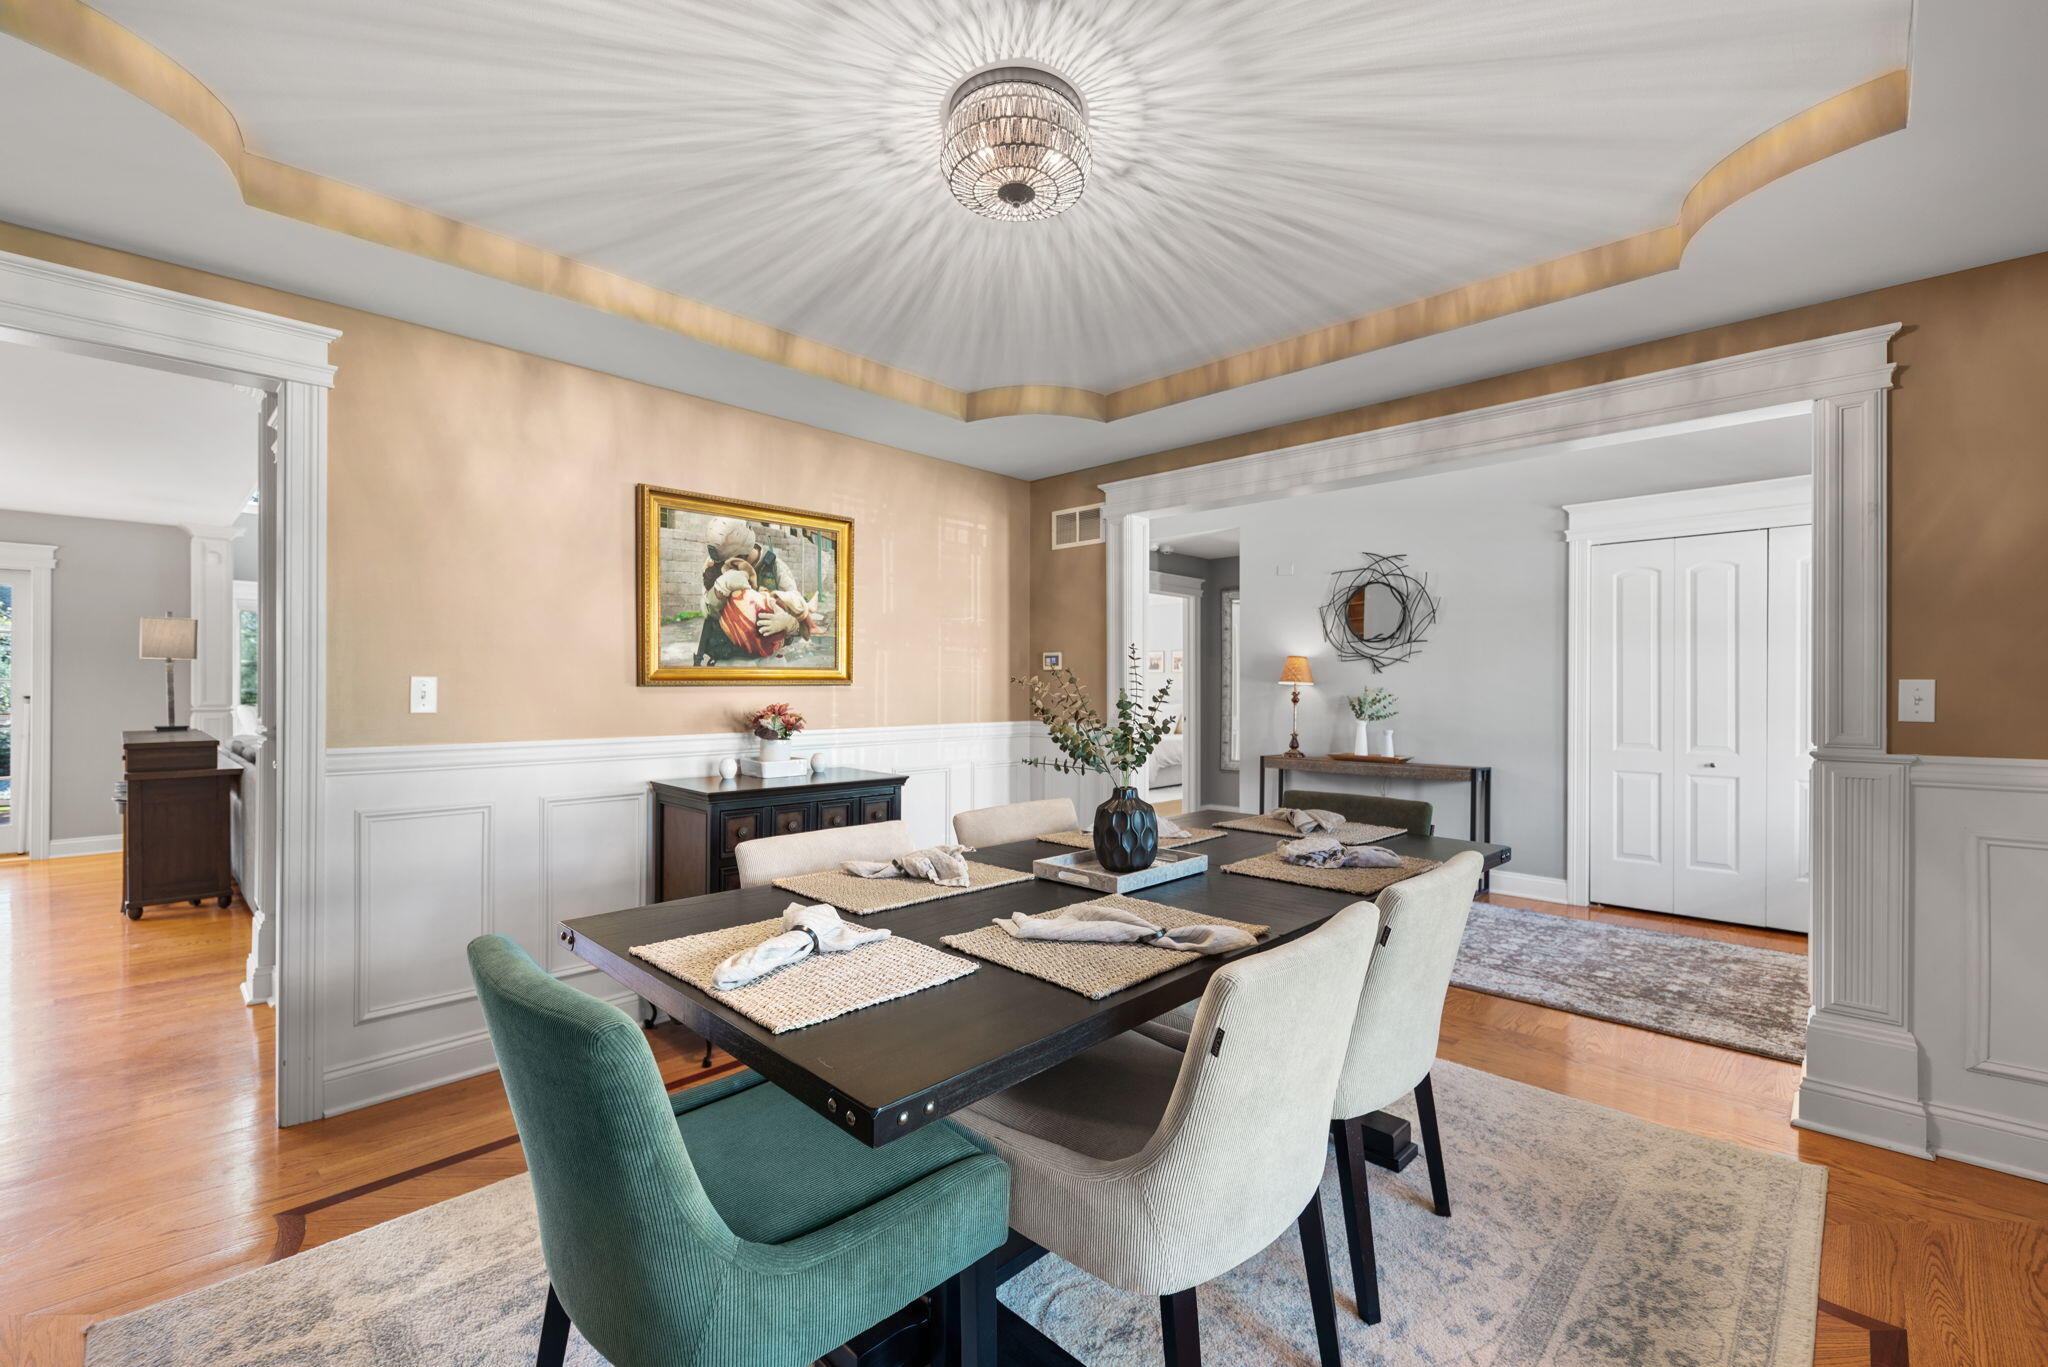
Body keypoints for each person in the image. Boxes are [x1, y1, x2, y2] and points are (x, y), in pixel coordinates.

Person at [694, 518, 820, 665]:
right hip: (728, 658)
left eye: (729, 560)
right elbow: (708, 613)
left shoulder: (776, 568)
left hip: (770, 659)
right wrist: (719, 591)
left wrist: (788, 623)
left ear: (742, 554)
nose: (724, 565)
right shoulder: (713, 564)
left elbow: (802, 615)